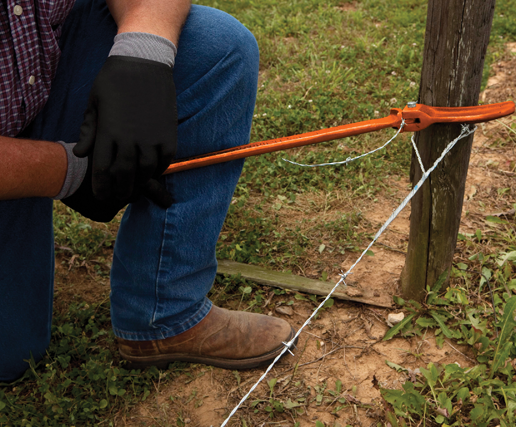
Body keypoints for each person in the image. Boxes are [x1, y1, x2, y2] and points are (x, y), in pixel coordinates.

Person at [0, 0, 295, 382]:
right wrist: (66, 170)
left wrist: (143, 55)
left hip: (43, 60)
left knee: (215, 48)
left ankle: (163, 313)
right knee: (11, 355)